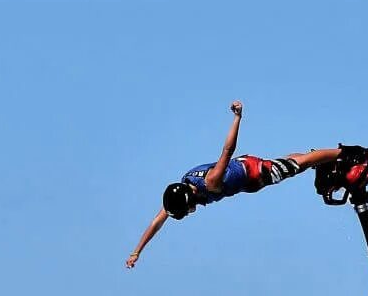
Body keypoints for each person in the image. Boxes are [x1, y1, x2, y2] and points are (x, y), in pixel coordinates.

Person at [125, 100, 345, 269]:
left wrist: (237, 117)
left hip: (254, 171)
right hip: (246, 181)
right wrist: (137, 252)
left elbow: (227, 151)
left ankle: (345, 154)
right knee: (293, 162)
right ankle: (321, 160)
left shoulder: (210, 182)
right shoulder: (181, 191)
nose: (191, 212)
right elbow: (156, 223)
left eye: (188, 209)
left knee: (297, 165)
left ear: (189, 198)